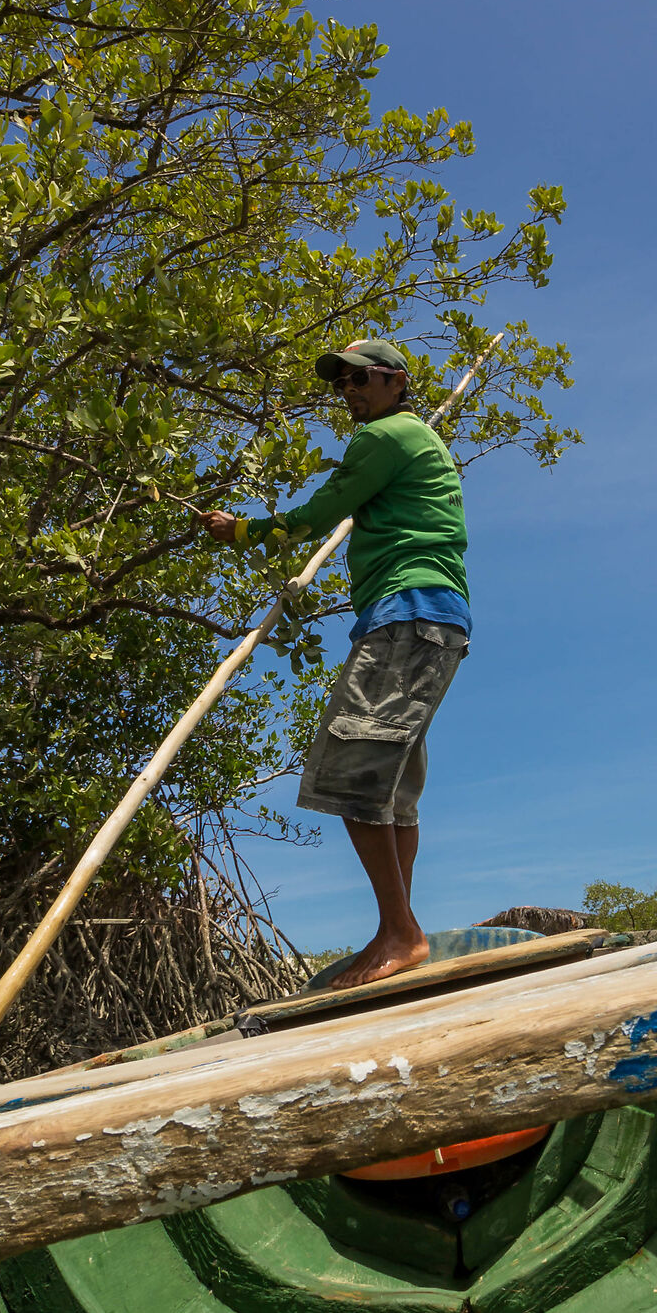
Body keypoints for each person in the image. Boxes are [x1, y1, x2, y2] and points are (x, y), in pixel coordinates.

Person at [199, 338, 469, 989]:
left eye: (360, 379)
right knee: (391, 788)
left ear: (396, 381)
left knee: (351, 773)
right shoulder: (415, 440)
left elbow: (317, 514)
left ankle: (400, 933)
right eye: (340, 383)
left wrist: (242, 532)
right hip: (433, 619)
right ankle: (398, 928)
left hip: (407, 613)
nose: (348, 391)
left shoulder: (385, 436)